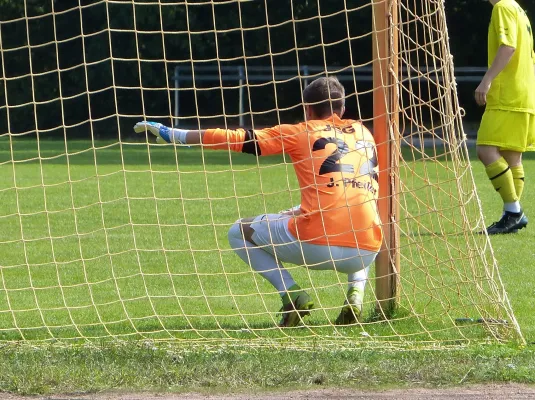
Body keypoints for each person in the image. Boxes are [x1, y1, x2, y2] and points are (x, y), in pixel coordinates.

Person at [134, 76, 383, 327]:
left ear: (307, 109)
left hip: (316, 243)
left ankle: (292, 294)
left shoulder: (300, 132)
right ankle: (356, 295)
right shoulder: (365, 133)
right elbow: (350, 186)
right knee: (361, 216)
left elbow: (237, 138)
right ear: (342, 108)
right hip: (366, 253)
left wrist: (175, 134)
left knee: (238, 232)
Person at [475, 0, 535, 234]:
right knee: (512, 156)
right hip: (524, 94)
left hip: (507, 94)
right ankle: (510, 215)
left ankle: (513, 211)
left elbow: (508, 47)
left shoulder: (503, 7)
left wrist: (486, 80)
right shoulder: (520, 10)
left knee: (485, 150)